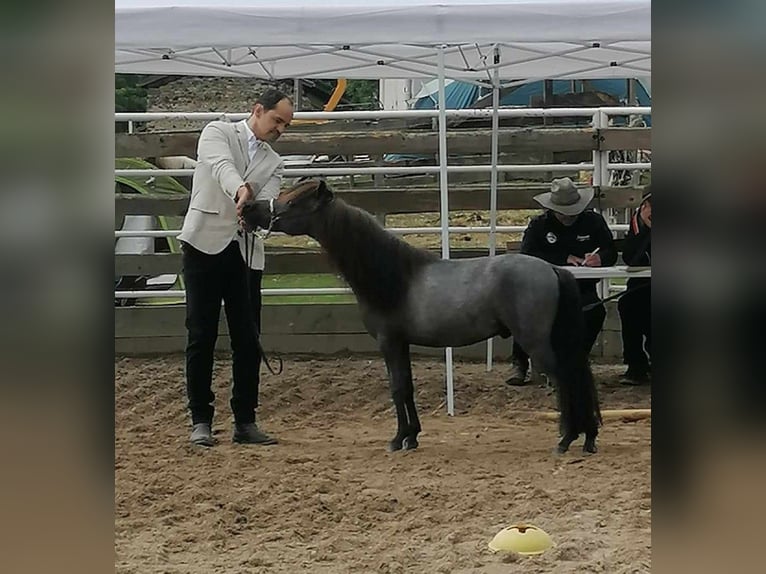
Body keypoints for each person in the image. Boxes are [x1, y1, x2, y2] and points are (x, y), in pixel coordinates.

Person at [177, 88, 294, 446]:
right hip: (203, 244)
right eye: (277, 121)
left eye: (286, 125)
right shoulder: (217, 132)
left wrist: (256, 213)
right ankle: (201, 420)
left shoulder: (275, 162)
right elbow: (221, 167)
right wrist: (241, 190)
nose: (281, 130)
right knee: (201, 335)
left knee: (248, 338)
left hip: (244, 251)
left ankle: (245, 420)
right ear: (258, 110)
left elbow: (267, 199)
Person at [507, 177, 617, 385]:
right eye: (562, 212)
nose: (567, 217)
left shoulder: (594, 222)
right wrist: (562, 259)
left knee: (595, 312)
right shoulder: (539, 225)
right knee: (526, 311)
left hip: (581, 288)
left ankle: (576, 359)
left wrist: (600, 258)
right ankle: (520, 362)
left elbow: (610, 249)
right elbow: (528, 254)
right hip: (543, 287)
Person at [618, 187, 651, 384]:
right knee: (628, 305)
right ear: (644, 206)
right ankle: (635, 364)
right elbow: (632, 258)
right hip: (641, 285)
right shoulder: (636, 225)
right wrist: (646, 233)